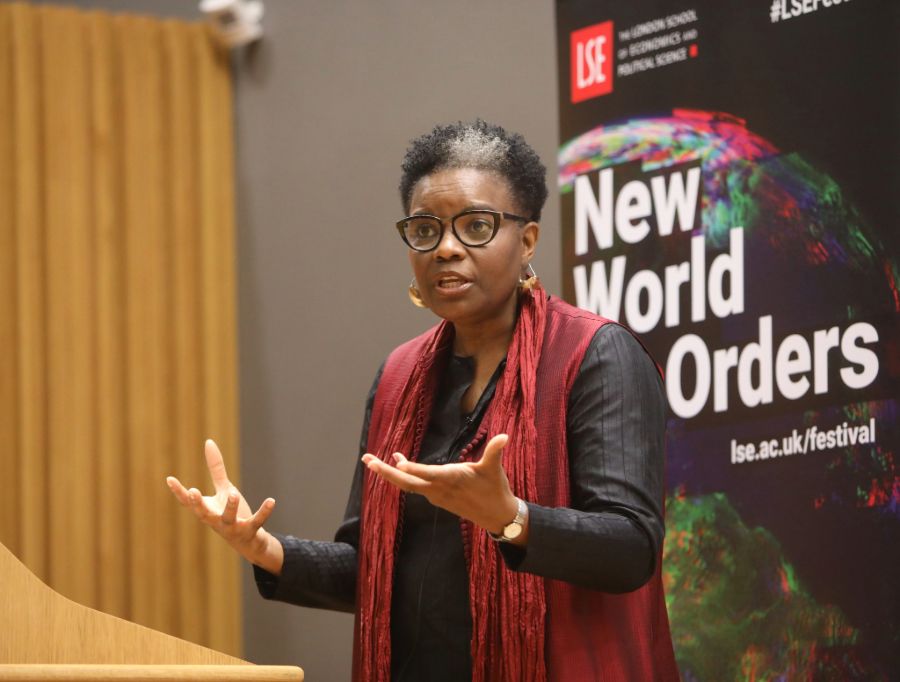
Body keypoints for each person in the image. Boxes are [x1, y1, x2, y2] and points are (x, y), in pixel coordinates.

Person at [167, 120, 679, 681]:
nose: (446, 249)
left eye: (476, 226)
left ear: (527, 240)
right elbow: (374, 573)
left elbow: (631, 548)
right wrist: (264, 548)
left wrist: (511, 519)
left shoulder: (594, 354)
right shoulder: (399, 377)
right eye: (425, 230)